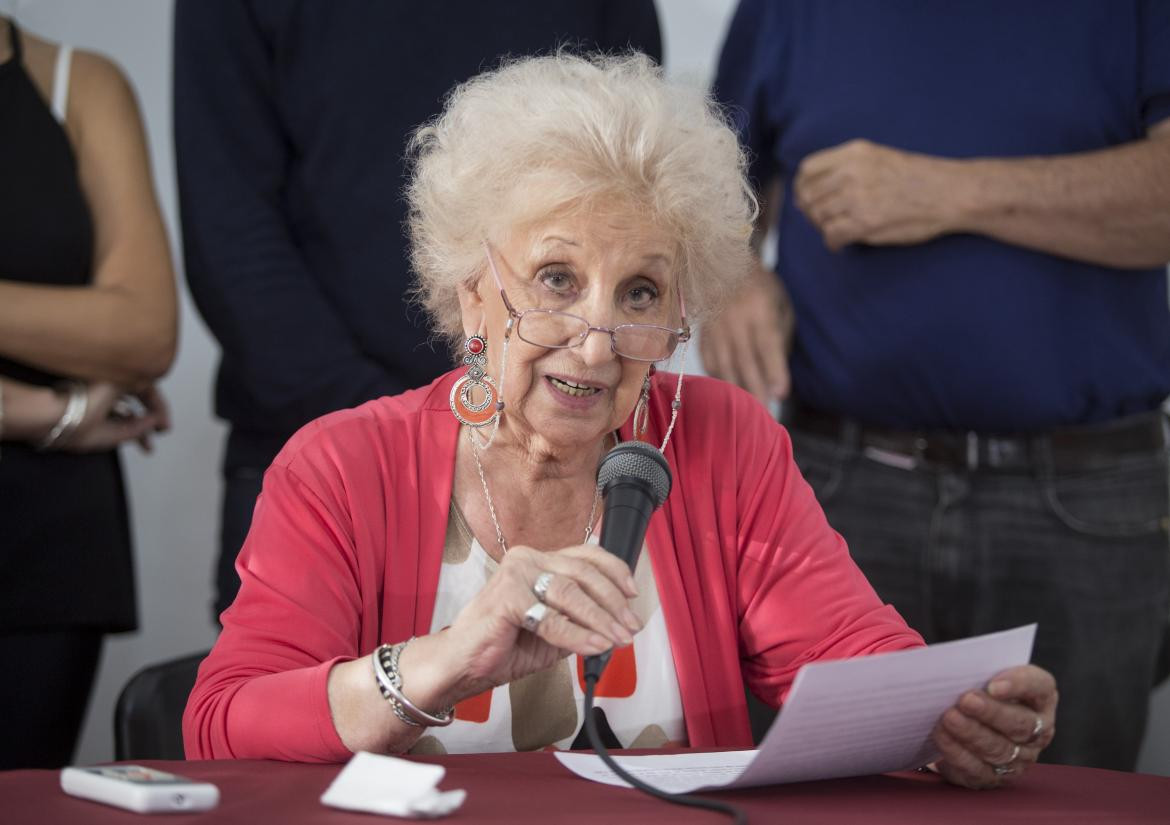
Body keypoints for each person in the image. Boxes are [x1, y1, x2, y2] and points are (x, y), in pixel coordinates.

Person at [184, 53, 1057, 790]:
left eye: (640, 291)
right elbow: (222, 727)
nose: (598, 345)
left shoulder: (723, 440)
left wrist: (954, 713)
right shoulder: (342, 465)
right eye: (557, 279)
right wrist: (450, 657)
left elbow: (851, 657)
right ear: (471, 291)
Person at [706, 0, 1170, 771]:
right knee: (810, 794)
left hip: (1082, 501)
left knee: (1068, 796)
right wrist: (734, 274)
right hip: (833, 485)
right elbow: (715, 190)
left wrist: (945, 192)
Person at [172, 0, 663, 621]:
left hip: (564, 452)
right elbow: (230, 233)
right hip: (313, 445)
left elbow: (632, 201)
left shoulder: (724, 446)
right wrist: (404, 441)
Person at [0, 18, 176, 768]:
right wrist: (43, 409)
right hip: (61, 442)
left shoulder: (78, 82)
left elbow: (144, 329)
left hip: (41, 542)